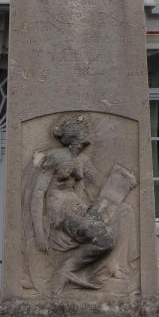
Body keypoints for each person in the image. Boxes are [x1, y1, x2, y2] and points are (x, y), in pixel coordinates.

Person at [29, 115, 138, 296]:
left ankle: (112, 265)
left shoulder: (82, 160)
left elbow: (100, 182)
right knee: (104, 240)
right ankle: (65, 270)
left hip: (78, 205)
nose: (88, 140)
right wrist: (39, 231)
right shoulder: (55, 158)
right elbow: (38, 194)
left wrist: (124, 181)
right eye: (83, 137)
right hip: (61, 209)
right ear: (74, 138)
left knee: (124, 211)